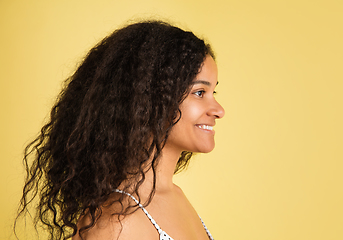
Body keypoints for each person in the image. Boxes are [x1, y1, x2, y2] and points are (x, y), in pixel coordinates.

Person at [15, 20, 225, 240]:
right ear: (150, 100)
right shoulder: (117, 225)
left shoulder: (175, 196)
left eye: (214, 93)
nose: (219, 110)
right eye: (200, 92)